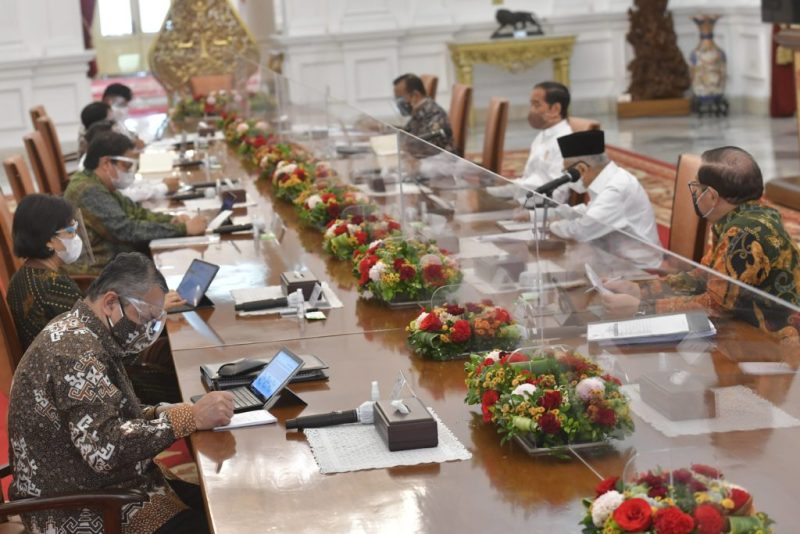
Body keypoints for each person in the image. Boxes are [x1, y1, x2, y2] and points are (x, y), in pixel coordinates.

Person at [8, 252, 234, 534]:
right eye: (144, 317)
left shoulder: (84, 331)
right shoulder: (74, 354)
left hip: (95, 484)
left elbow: (113, 417)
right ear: (111, 302)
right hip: (78, 507)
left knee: (221, 506)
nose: (147, 329)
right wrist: (186, 419)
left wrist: (163, 413)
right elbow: (106, 451)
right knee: (214, 524)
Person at [603, 146, 800, 341]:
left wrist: (641, 308)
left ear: (712, 196)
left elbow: (715, 307)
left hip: (776, 344)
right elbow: (704, 277)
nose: (694, 194)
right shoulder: (749, 215)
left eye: (696, 188)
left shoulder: (743, 234)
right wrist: (640, 290)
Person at [64, 131, 206, 273]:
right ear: (106, 163)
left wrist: (173, 220)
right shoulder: (89, 190)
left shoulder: (98, 182)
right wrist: (183, 229)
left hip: (117, 260)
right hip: (99, 272)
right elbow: (127, 231)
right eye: (126, 166)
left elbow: (136, 212)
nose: (130, 172)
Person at [548, 130, 663, 269]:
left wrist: (549, 226)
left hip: (638, 269)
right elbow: (589, 211)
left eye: (568, 172)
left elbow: (581, 231)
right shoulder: (609, 178)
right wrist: (551, 215)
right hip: (612, 259)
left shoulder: (615, 189)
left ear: (582, 168)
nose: (567, 178)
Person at [6, 194, 84, 350]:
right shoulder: (55, 285)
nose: (75, 237)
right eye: (70, 231)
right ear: (48, 240)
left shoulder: (23, 275)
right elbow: (90, 336)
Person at [488, 81, 573, 203]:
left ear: (555, 109)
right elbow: (527, 181)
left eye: (537, 105)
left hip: (538, 212)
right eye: (531, 105)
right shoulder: (541, 136)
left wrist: (519, 204)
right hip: (524, 200)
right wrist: (491, 192)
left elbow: (558, 194)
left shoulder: (565, 142)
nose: (532, 110)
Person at [80, 119, 180, 201]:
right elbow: (126, 196)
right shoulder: (91, 187)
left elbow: (130, 188)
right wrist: (162, 187)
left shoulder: (105, 172)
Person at [393, 73, 454, 155]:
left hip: (440, 162)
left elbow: (431, 149)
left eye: (401, 98)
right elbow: (406, 132)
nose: (399, 103)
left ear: (415, 95)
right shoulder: (419, 112)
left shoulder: (435, 114)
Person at [102, 82, 145, 149]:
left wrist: (134, 139)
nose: (124, 110)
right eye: (120, 105)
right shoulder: (97, 124)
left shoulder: (117, 122)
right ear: (107, 100)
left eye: (126, 106)